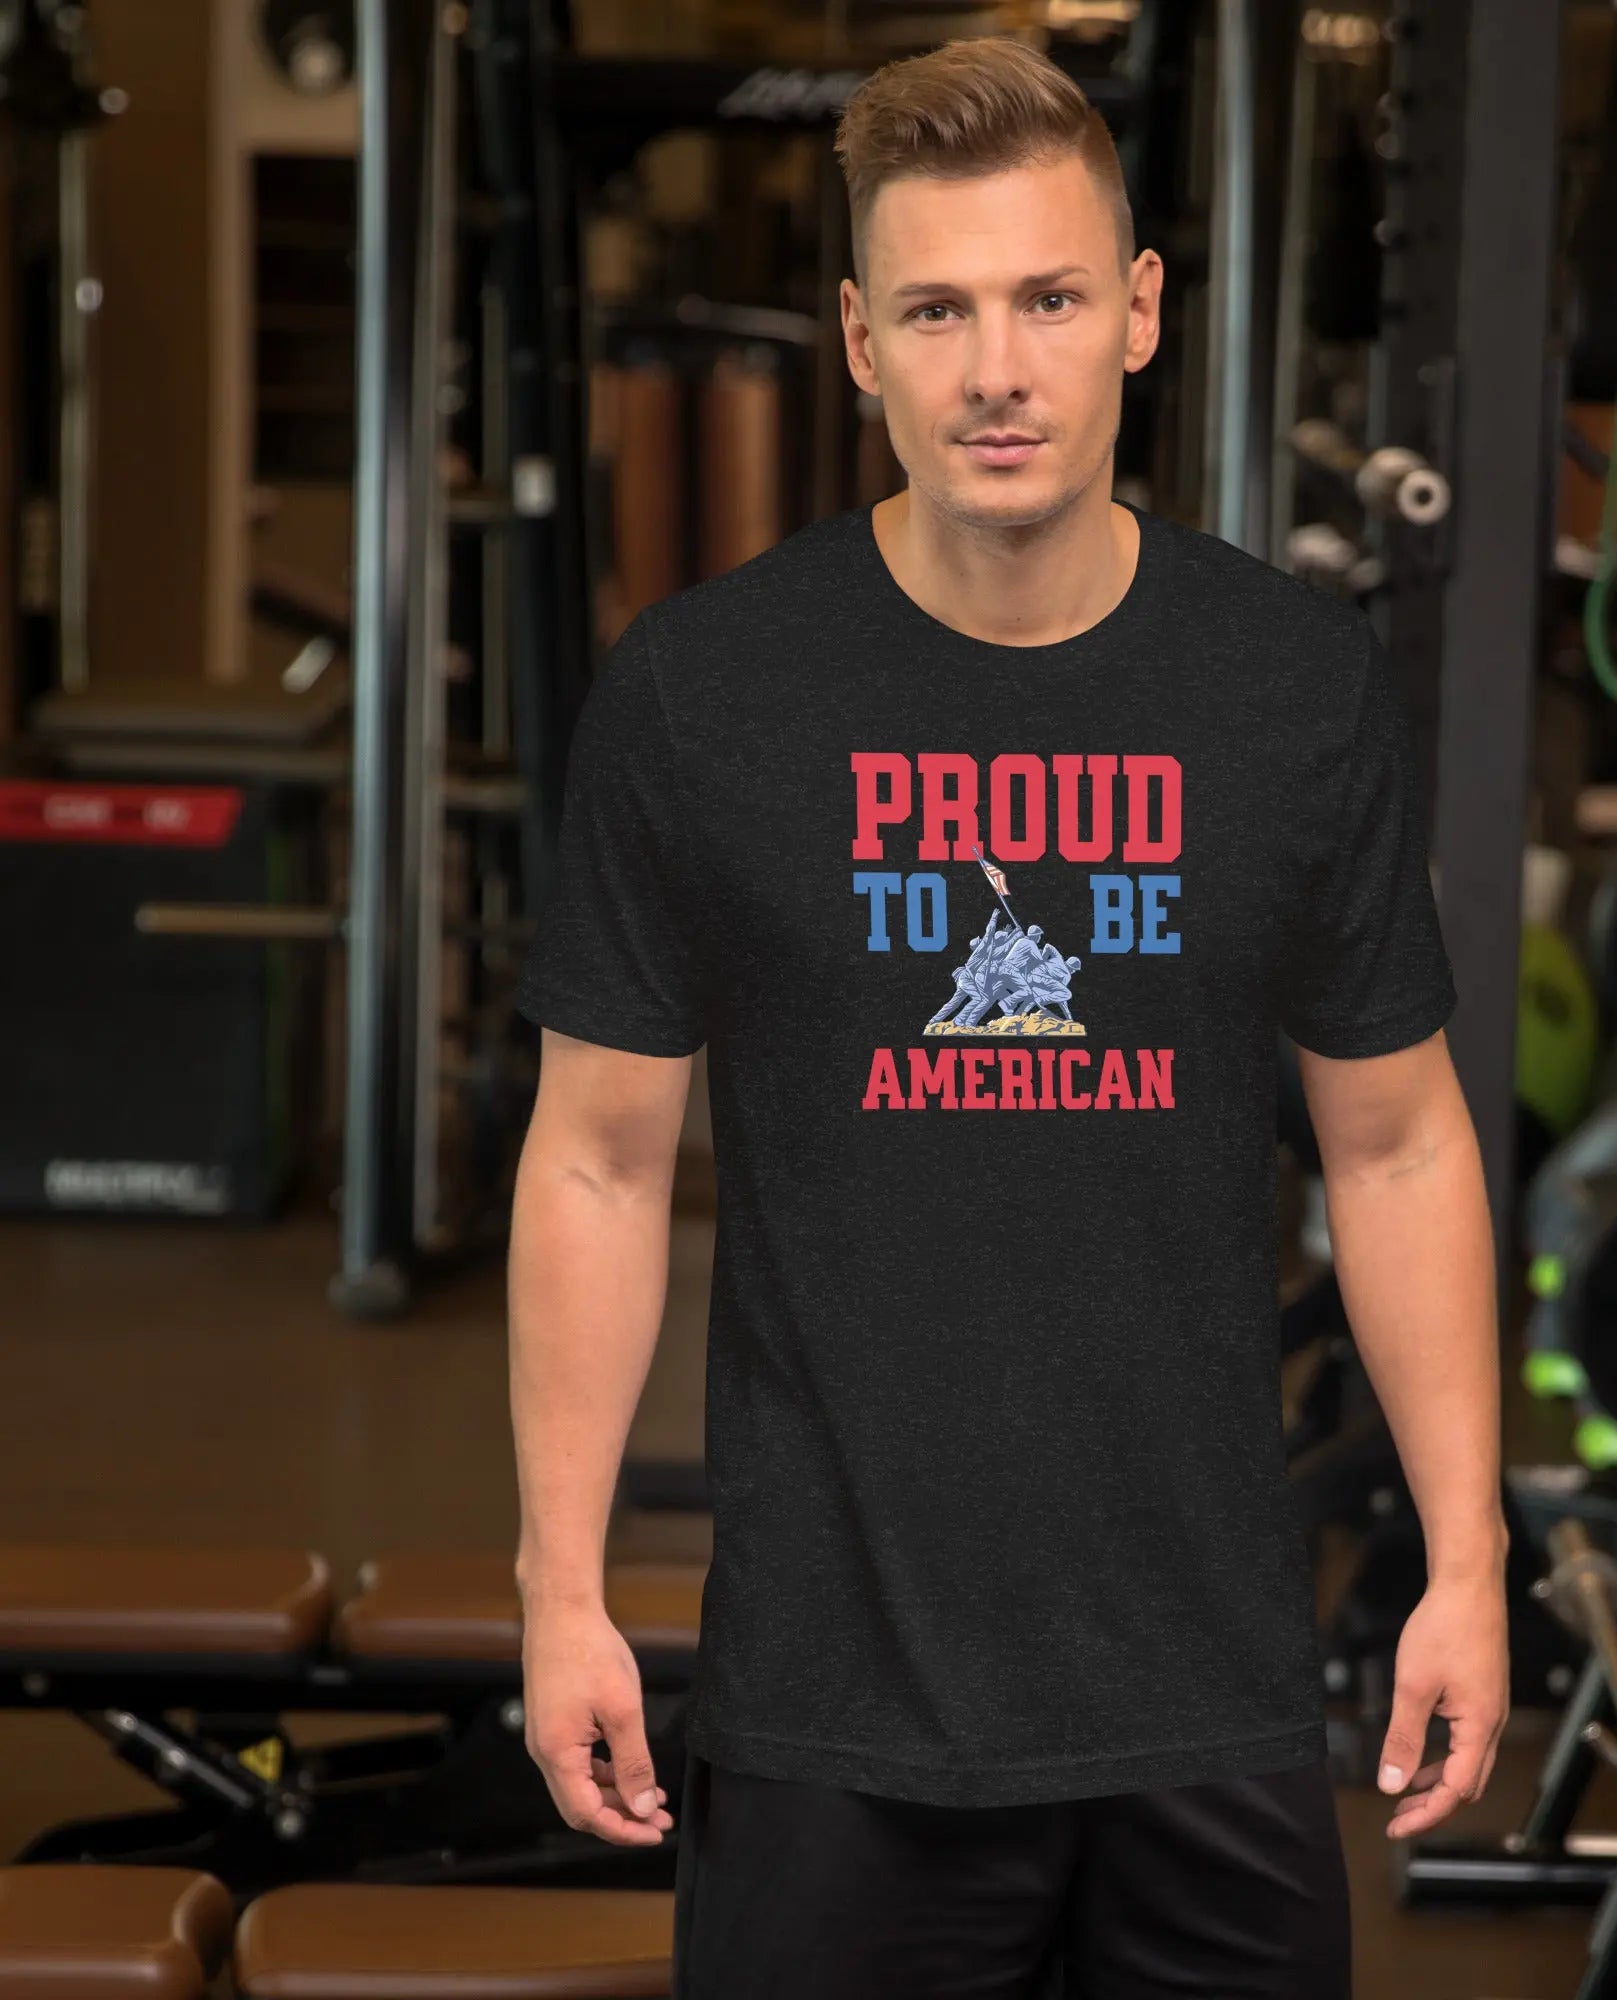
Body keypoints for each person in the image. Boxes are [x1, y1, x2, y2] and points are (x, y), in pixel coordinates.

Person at [508, 32, 1505, 1999]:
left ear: (1138, 314)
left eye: (1048, 299)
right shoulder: (706, 697)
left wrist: (1464, 1564)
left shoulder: (1290, 691)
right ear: (859, 341)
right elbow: (597, 1163)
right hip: (834, 1699)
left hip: (1206, 1690)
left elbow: (1398, 1142)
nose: (996, 371)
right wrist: (560, 1586)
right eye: (938, 310)